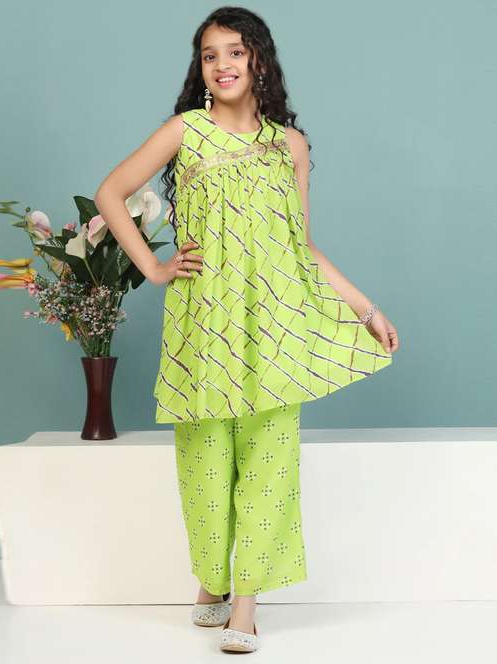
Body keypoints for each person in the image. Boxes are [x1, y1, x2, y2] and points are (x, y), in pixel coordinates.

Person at [94, 5, 399, 654]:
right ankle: (212, 577)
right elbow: (110, 193)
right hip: (203, 322)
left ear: (260, 59)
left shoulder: (290, 146)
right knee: (205, 458)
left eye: (236, 51)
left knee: (268, 458)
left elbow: (303, 246)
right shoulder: (186, 131)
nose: (223, 65)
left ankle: (246, 604)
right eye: (210, 55)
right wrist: (153, 267)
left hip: (277, 322)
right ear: (200, 68)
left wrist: (365, 309)